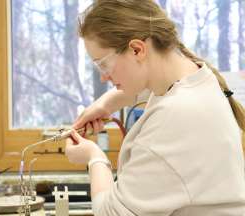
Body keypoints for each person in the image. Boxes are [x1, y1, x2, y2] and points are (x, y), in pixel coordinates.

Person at [64, 0, 245, 215]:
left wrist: (94, 158)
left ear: (137, 49)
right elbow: (149, 86)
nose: (103, 77)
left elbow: (110, 213)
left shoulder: (176, 117)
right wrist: (105, 104)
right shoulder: (195, 78)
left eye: (103, 64)